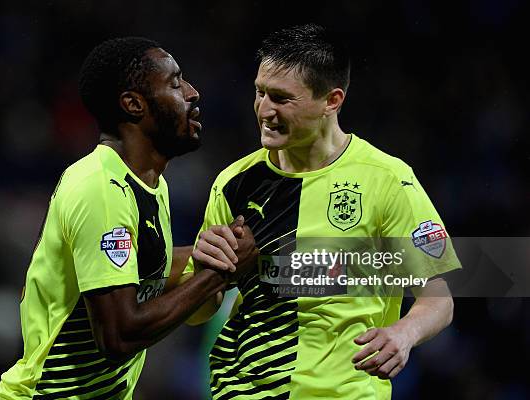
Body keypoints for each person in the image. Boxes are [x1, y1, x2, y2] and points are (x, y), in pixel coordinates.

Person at [186, 24, 461, 399]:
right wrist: (203, 273)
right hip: (243, 390)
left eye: (282, 99)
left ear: (331, 100)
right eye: (259, 92)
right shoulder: (234, 182)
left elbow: (438, 299)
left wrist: (403, 333)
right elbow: (201, 312)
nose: (264, 110)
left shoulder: (387, 180)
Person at [0, 37, 257, 399]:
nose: (193, 93)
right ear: (134, 104)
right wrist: (219, 273)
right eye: (176, 83)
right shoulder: (100, 187)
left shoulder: (150, 185)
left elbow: (143, 271)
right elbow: (119, 335)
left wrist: (203, 253)